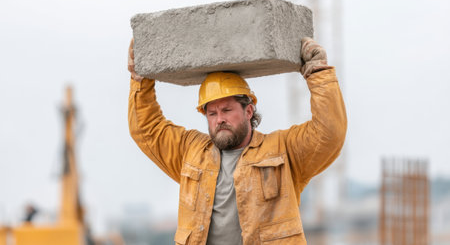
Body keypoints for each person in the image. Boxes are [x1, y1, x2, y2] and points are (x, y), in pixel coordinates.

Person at [127, 37, 347, 245]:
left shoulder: (282, 150)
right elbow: (147, 129)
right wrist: (140, 79)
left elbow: (328, 133)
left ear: (248, 111)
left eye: (226, 110)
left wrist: (317, 73)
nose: (219, 119)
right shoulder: (191, 152)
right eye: (211, 113)